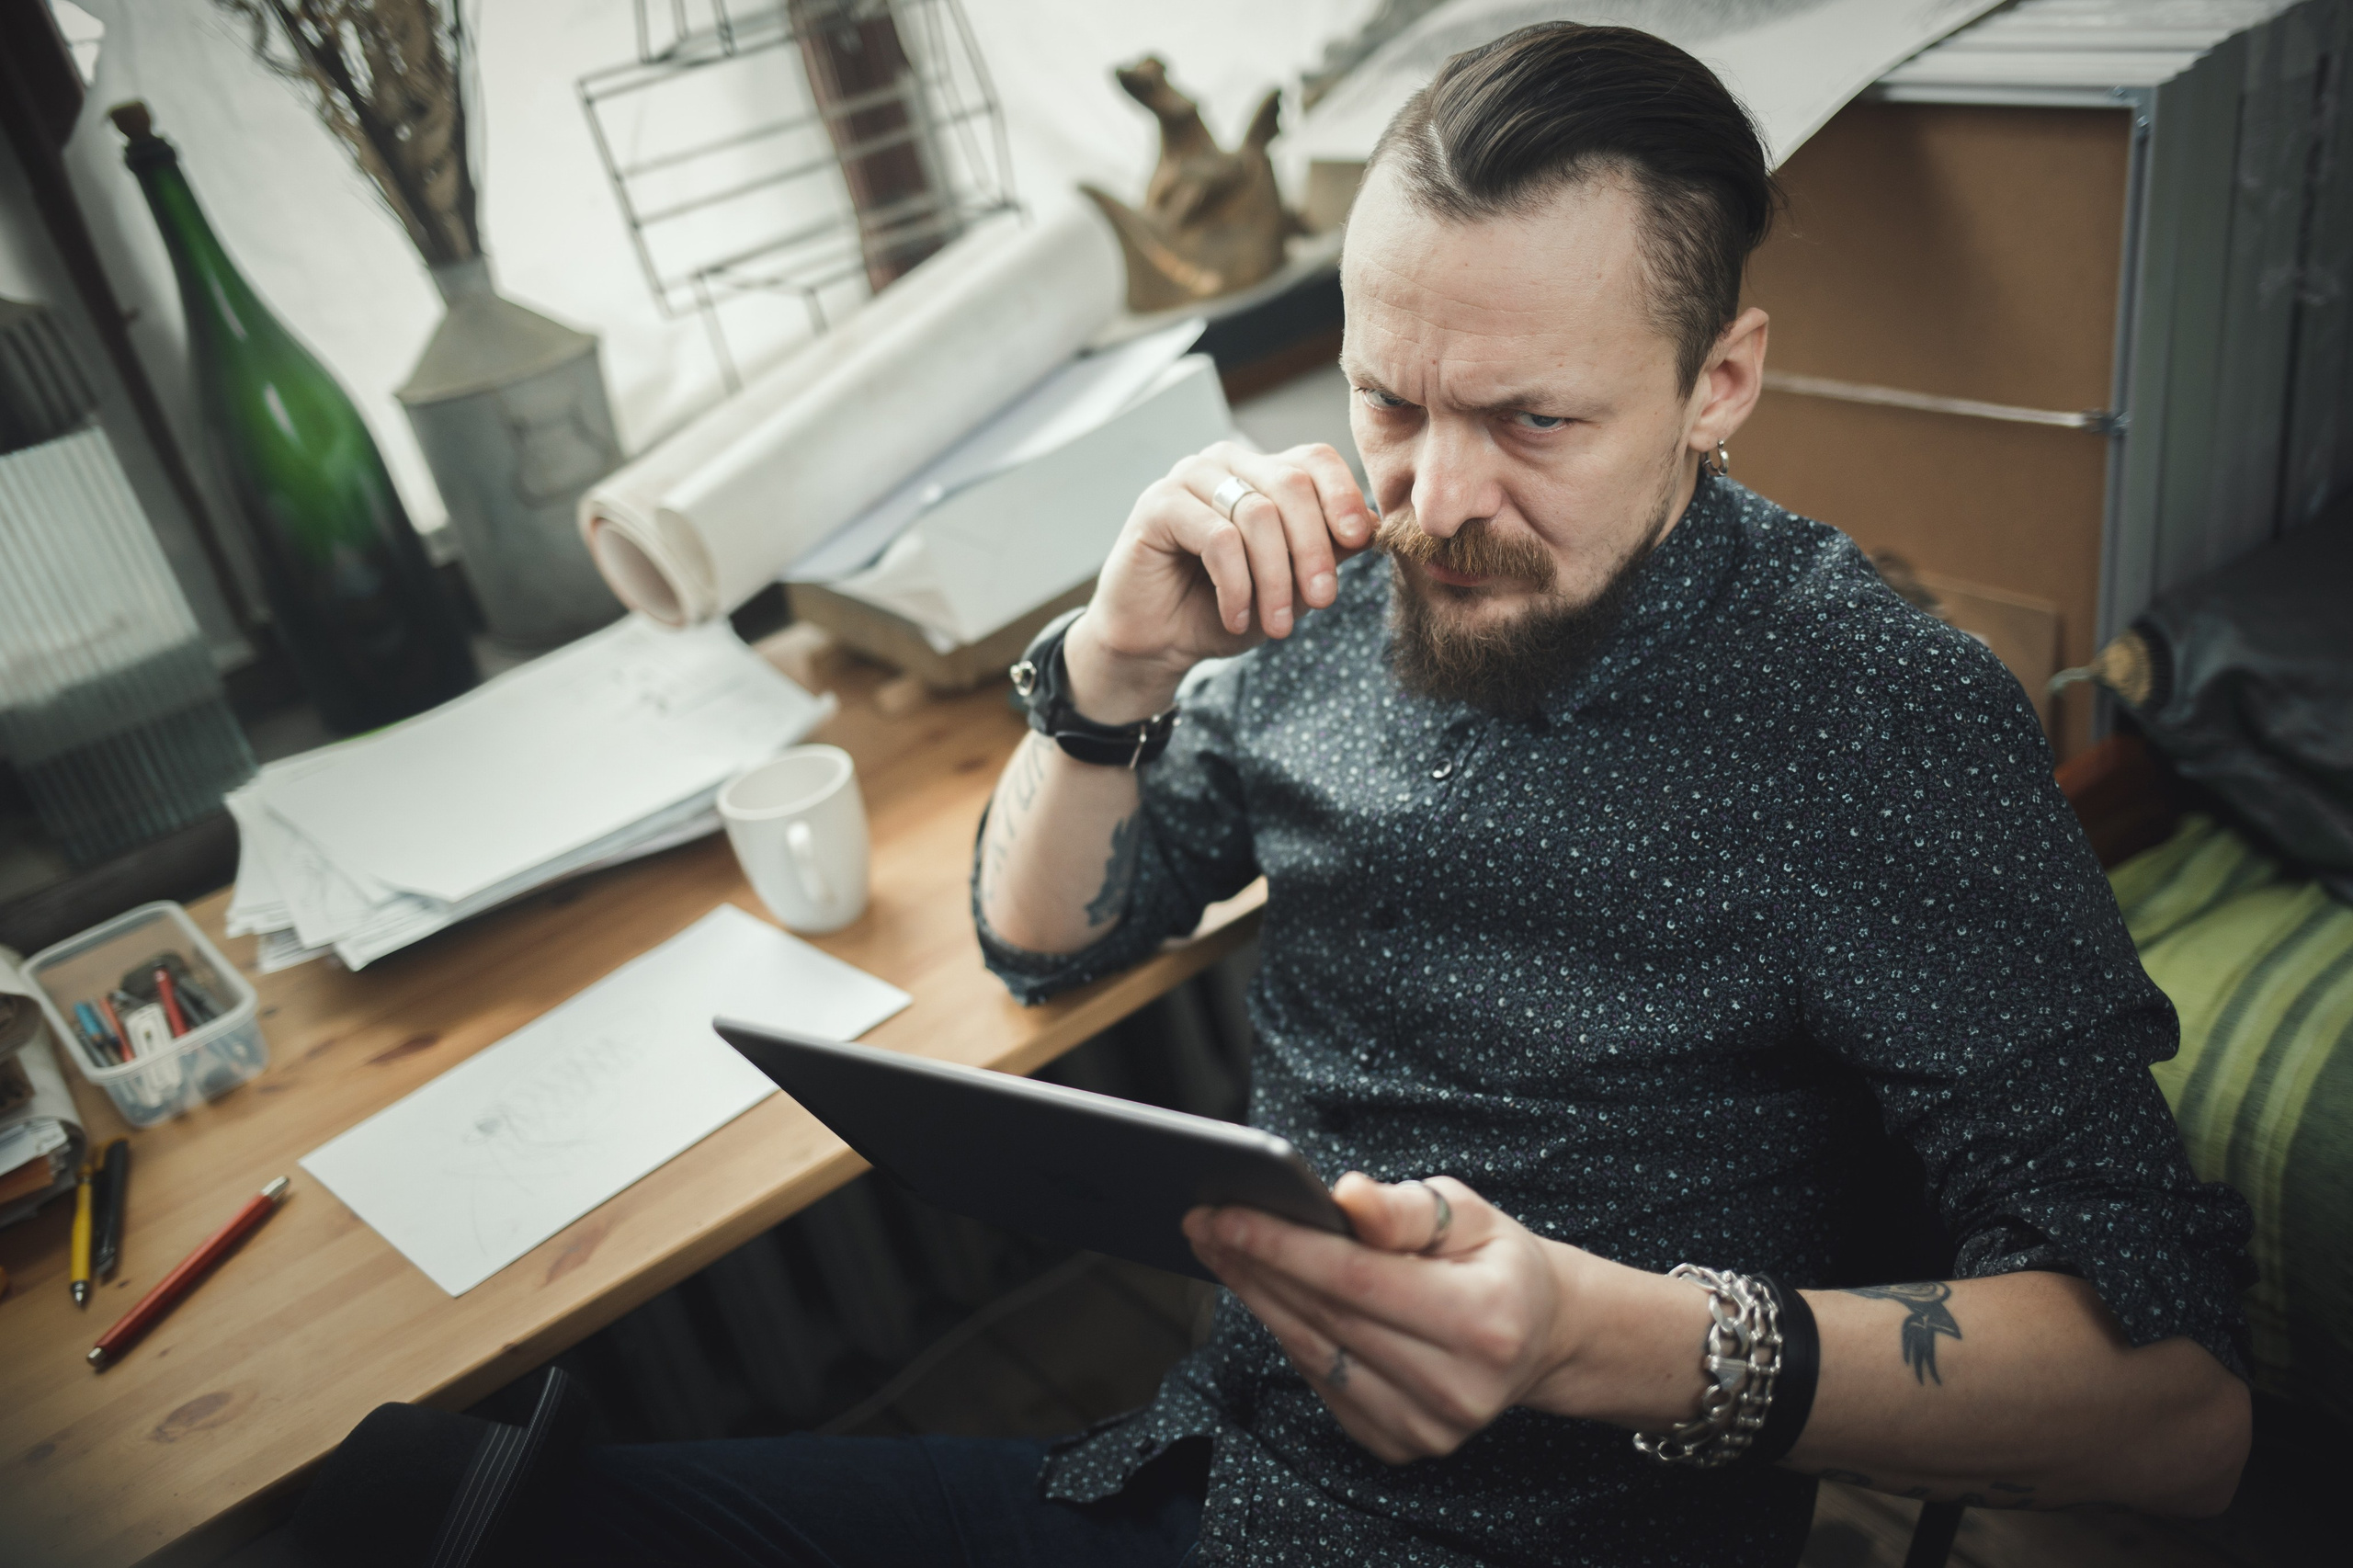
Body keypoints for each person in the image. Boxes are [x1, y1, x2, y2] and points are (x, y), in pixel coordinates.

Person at [545, 22, 2252, 1567]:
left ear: (1716, 384)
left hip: (1548, 1541)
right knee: (469, 1503)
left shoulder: (1877, 720)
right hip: (1202, 1470)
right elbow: (1045, 942)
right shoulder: (1339, 590)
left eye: (1534, 420)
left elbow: (2181, 1411)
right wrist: (1110, 681)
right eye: (1390, 400)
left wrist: (1592, 1335)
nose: (1439, 502)